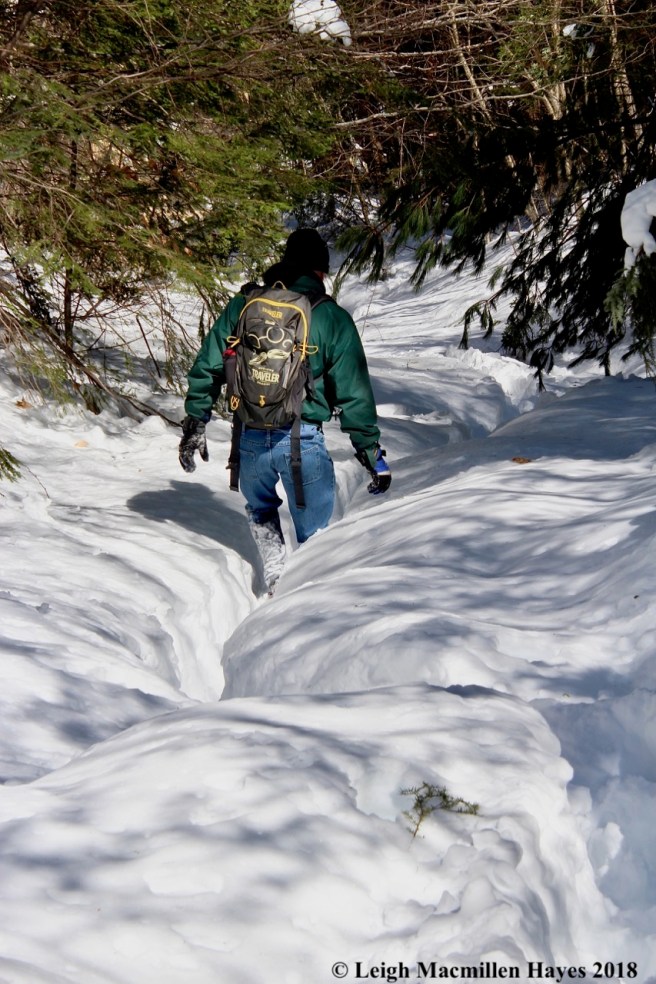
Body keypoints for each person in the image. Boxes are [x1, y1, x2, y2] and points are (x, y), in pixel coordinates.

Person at [178, 228, 391, 591]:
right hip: (302, 441)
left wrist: (196, 419)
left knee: (261, 511)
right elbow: (353, 391)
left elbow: (208, 365)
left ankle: (275, 577)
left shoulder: (244, 304)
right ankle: (304, 601)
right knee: (317, 540)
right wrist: (370, 452)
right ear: (320, 271)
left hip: (247, 441)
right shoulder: (330, 316)